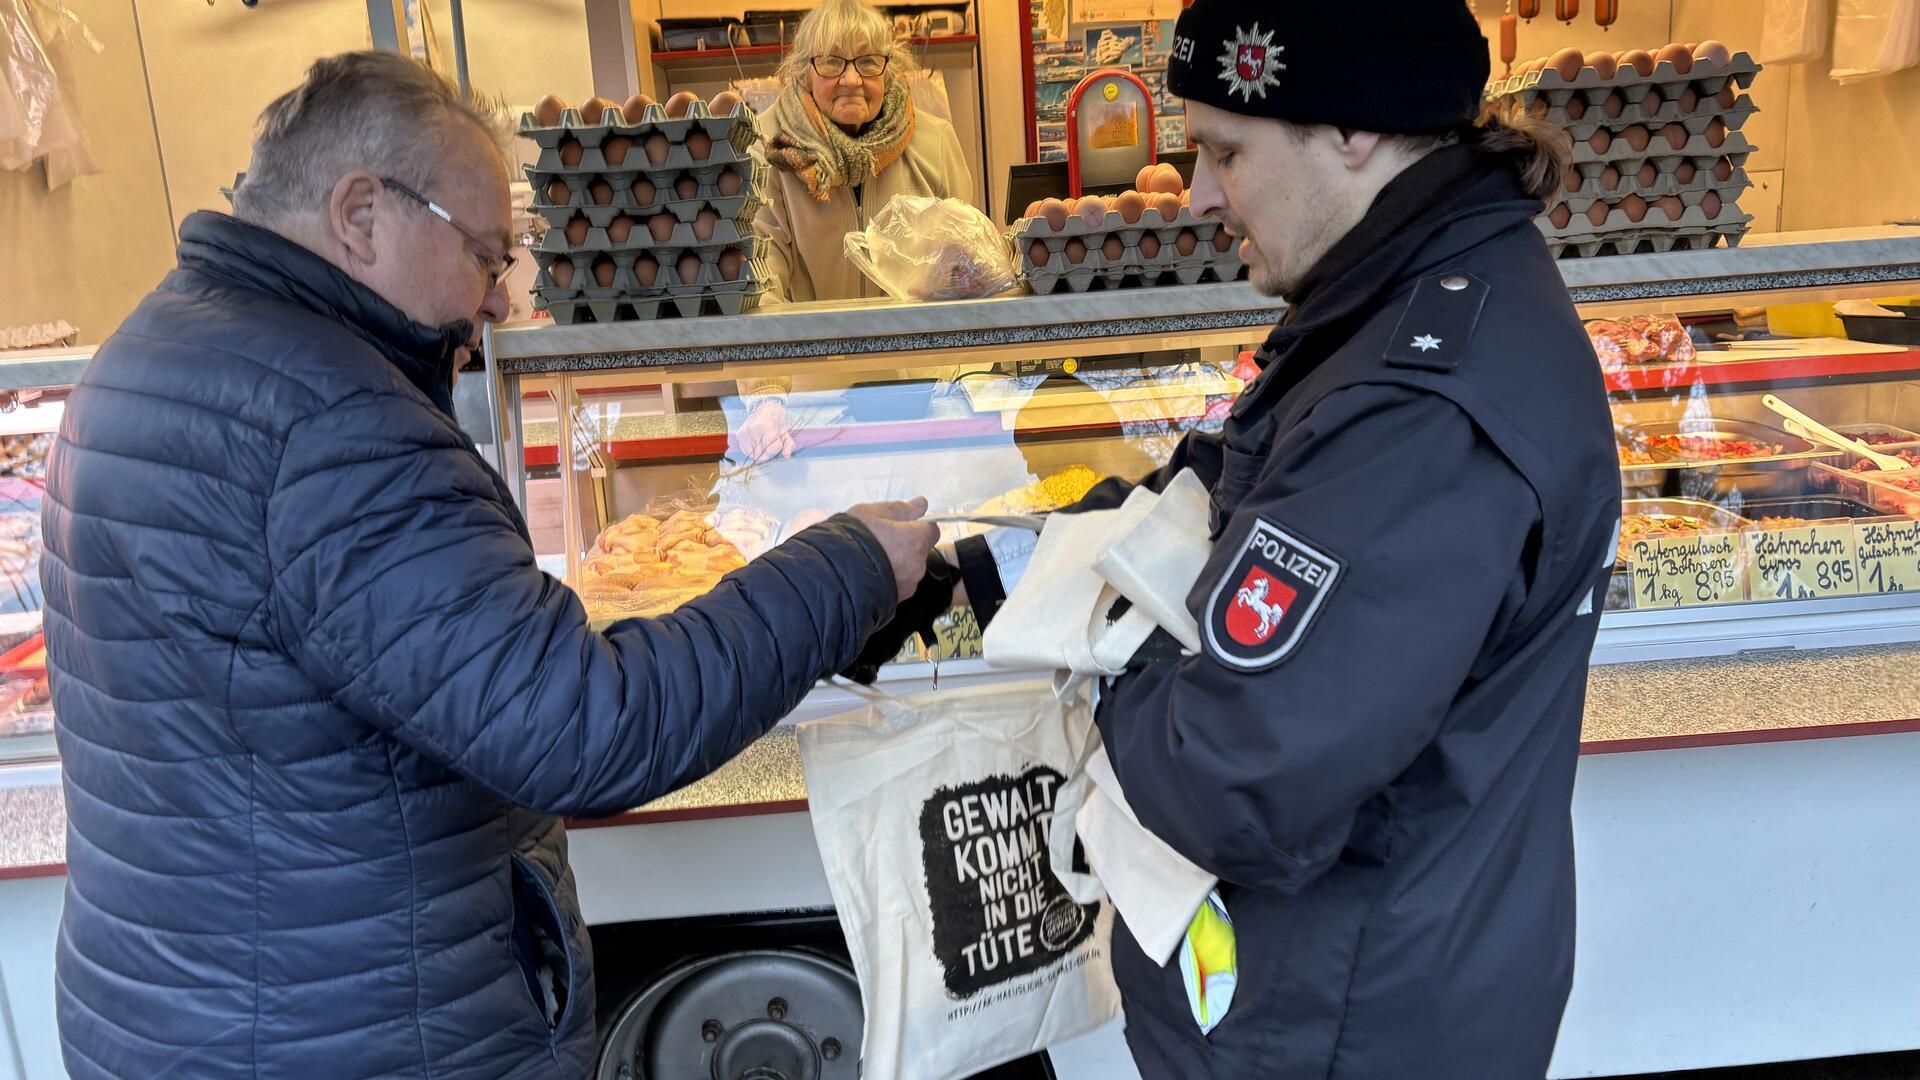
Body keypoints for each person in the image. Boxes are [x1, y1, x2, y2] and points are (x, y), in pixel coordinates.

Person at [43, 51, 937, 1080]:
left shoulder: (146, 353)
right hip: (354, 1036)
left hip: (169, 1011)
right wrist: (849, 566)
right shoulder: (336, 428)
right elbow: (588, 723)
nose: (502, 300)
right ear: (362, 214)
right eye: (483, 253)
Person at [921, 2, 1622, 1076]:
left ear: (1350, 129)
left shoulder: (1418, 407)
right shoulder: (1393, 303)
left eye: (1223, 151)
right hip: (1342, 986)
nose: (1200, 193)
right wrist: (990, 565)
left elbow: (1235, 775)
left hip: (1343, 1020)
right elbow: (1236, 491)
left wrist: (1110, 668)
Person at [733, 0, 975, 461]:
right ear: (803, 71)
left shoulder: (934, 141)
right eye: (831, 62)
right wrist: (766, 396)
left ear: (890, 69)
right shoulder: (769, 150)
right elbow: (758, 277)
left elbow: (965, 272)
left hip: (923, 394)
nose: (851, 79)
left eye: (867, 61)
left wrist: (964, 382)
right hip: (809, 406)